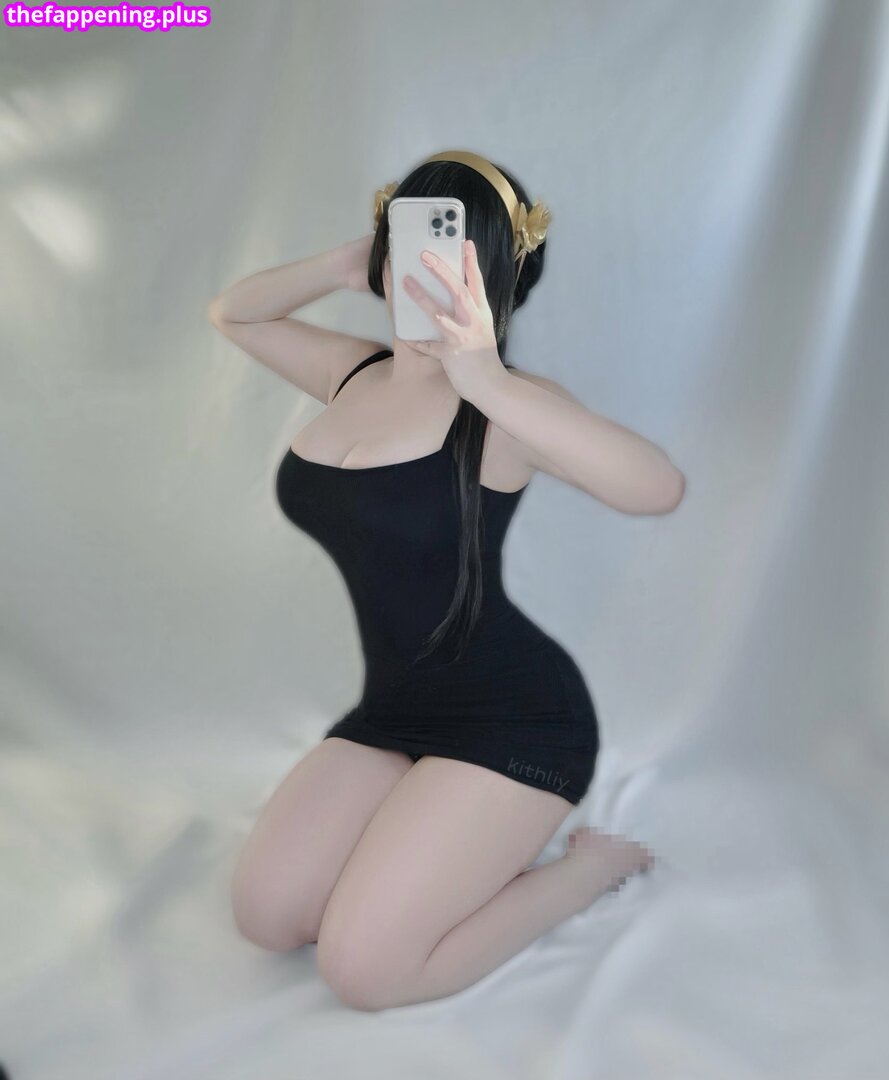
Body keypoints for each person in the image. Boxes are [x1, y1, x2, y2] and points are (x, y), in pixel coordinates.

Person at [208, 149, 685, 1011]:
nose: (422, 267)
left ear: (493, 271)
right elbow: (234, 314)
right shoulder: (354, 372)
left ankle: (588, 870)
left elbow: (657, 487)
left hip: (515, 722)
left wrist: (481, 373)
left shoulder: (503, 407)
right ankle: (426, 827)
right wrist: (343, 264)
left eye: (451, 251)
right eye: (409, 239)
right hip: (391, 712)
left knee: (366, 972)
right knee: (268, 917)